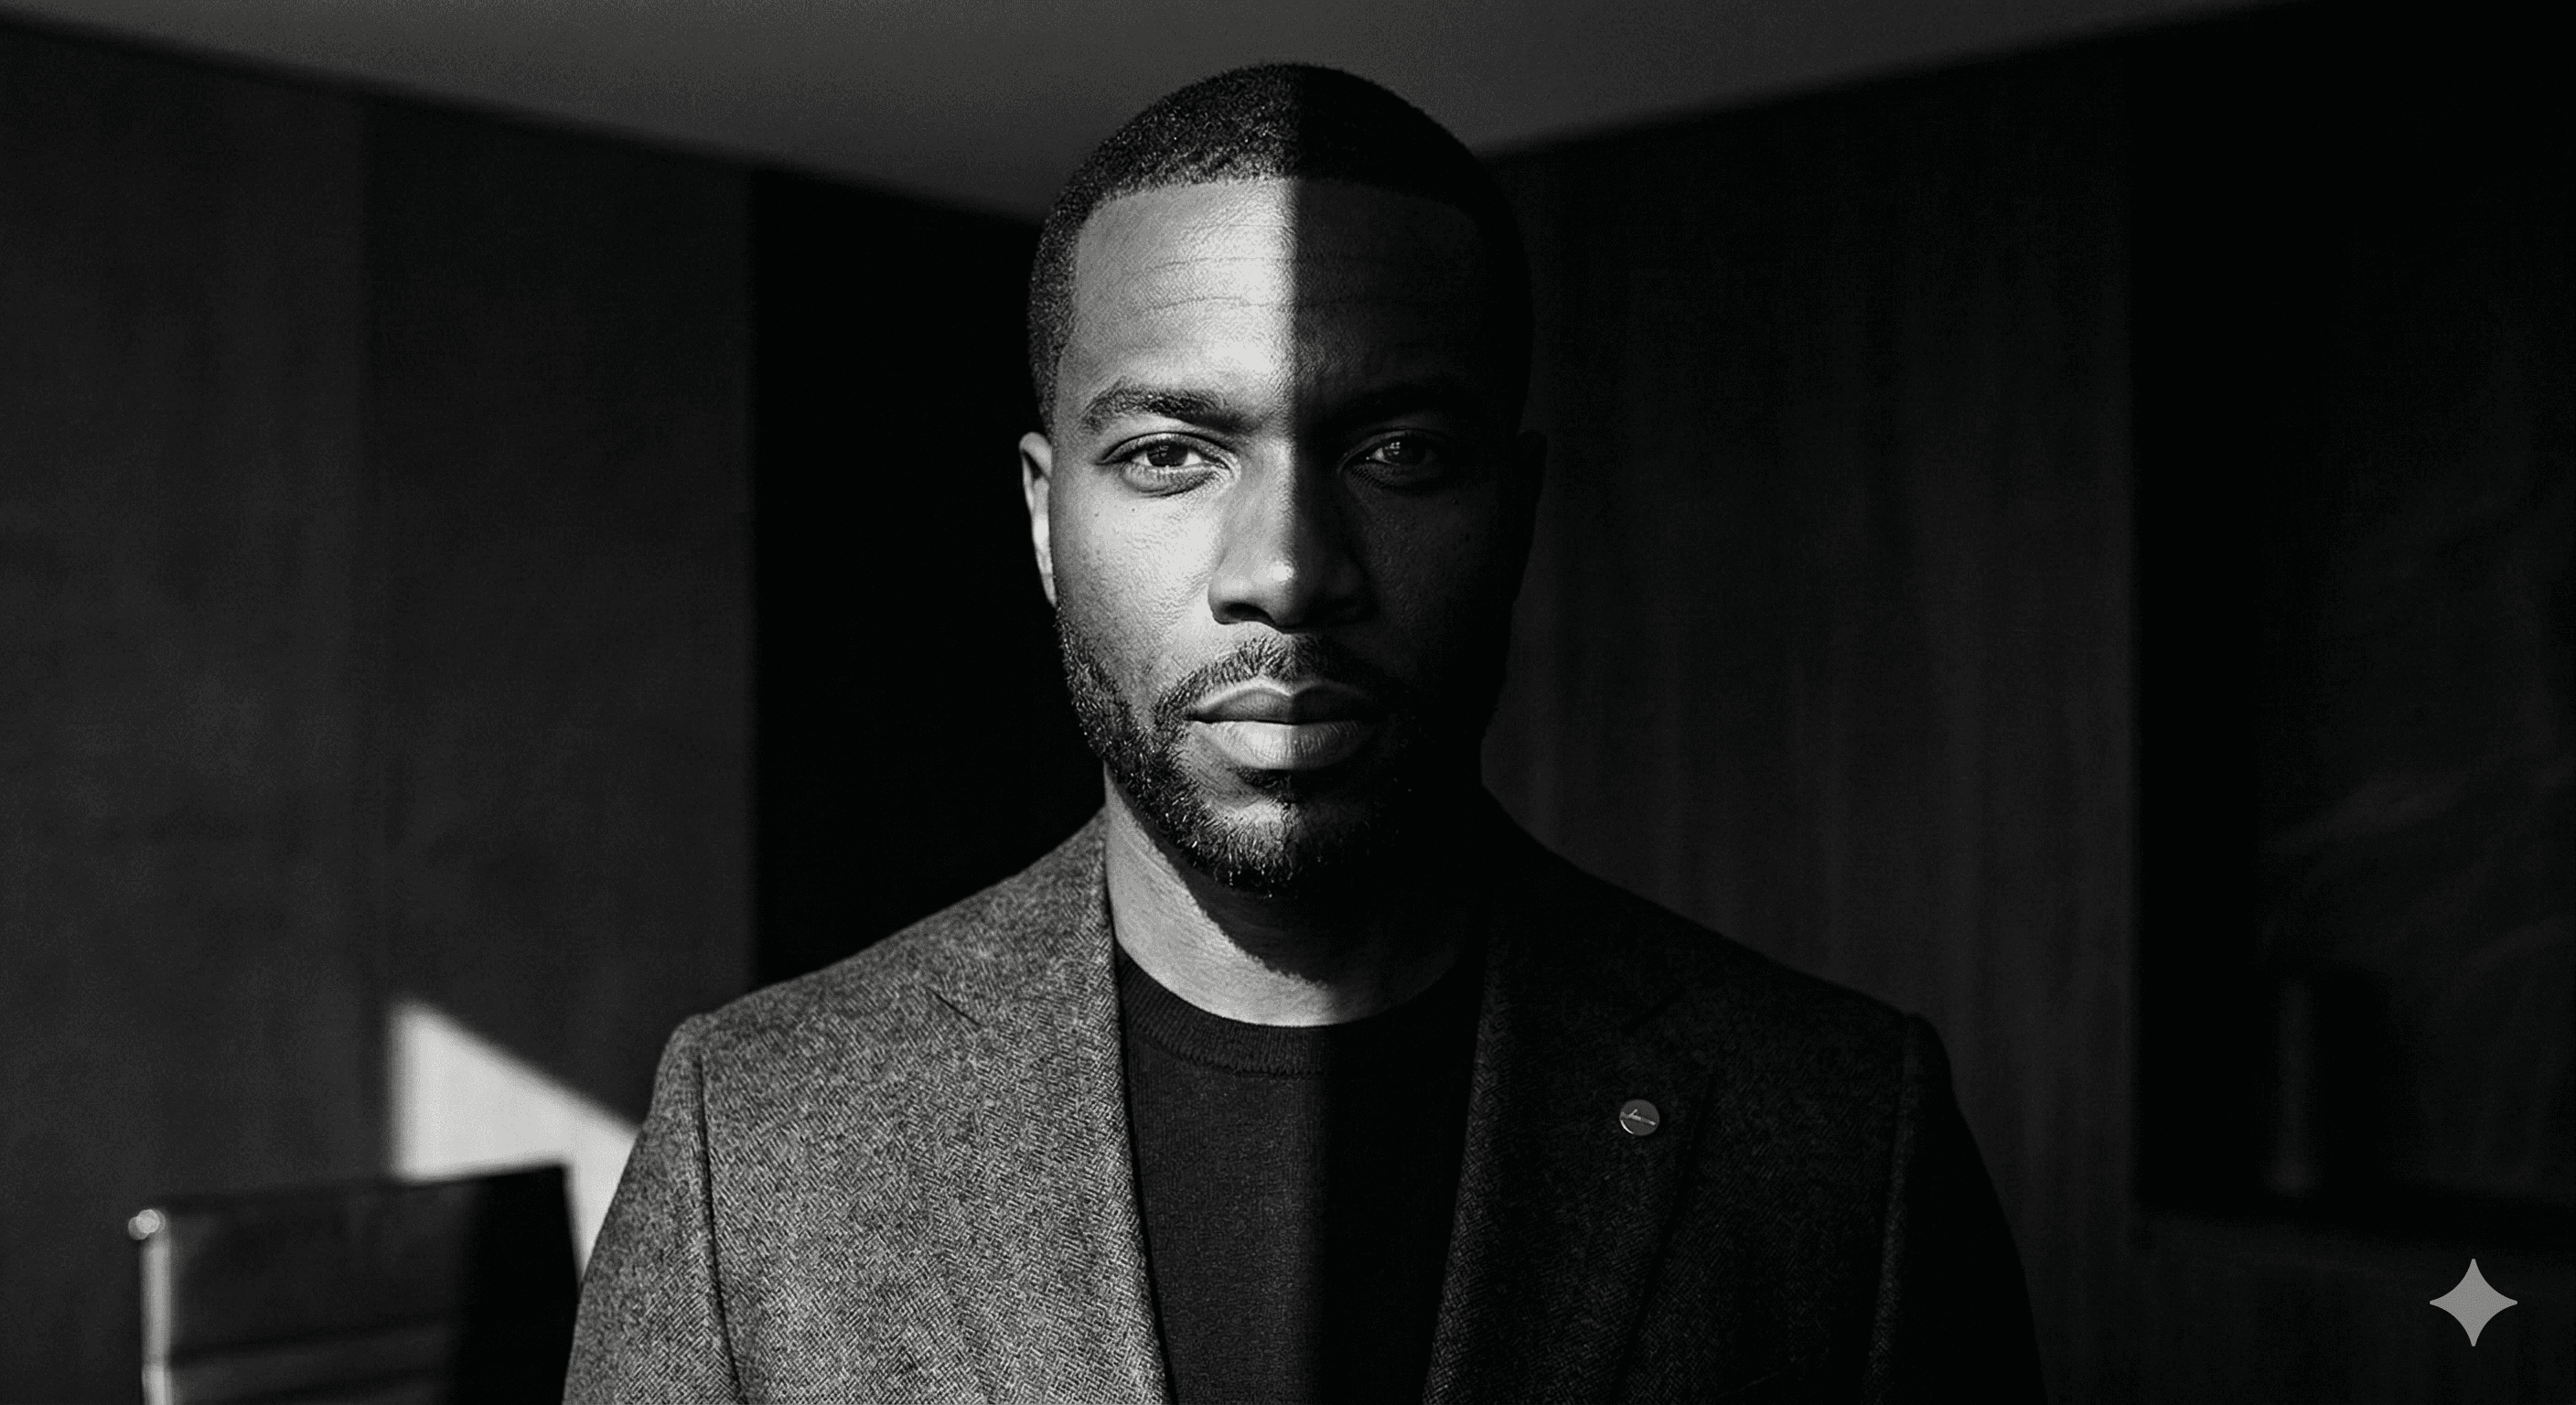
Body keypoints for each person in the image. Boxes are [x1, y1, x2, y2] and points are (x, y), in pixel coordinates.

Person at [566, 63, 2042, 1404]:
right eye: (1169, 455)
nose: (1285, 568)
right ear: (1042, 519)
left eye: (1397, 451)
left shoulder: (1841, 1129)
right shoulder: (751, 1135)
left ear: (1513, 518)